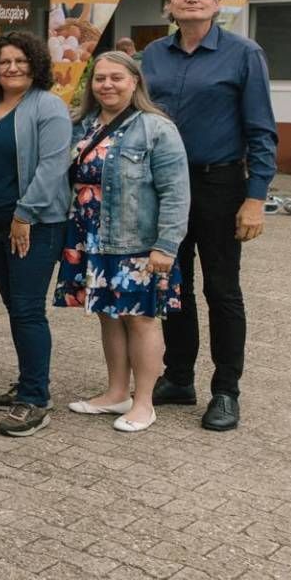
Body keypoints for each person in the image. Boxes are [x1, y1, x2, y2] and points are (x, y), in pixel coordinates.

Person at [139, 0, 277, 432]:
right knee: (172, 284)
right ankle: (179, 378)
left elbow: (262, 130)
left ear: (217, 2)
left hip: (219, 185)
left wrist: (255, 198)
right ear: (169, 5)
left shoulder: (244, 54)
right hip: (162, 187)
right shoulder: (152, 55)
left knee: (221, 288)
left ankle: (226, 391)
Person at [56, 51, 190, 434]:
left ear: (135, 82)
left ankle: (144, 402)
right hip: (91, 239)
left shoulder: (156, 128)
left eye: (117, 77)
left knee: (141, 320)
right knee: (108, 316)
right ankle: (116, 393)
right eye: (100, 78)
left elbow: (176, 193)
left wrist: (166, 245)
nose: (107, 85)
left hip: (137, 242)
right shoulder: (81, 125)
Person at [0, 30, 73, 437]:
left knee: (27, 309)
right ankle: (29, 380)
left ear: (35, 64)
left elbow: (52, 166)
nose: (11, 68)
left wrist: (24, 214)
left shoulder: (49, 106)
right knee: (15, 307)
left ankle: (35, 399)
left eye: (20, 61)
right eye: (4, 61)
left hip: (35, 225)